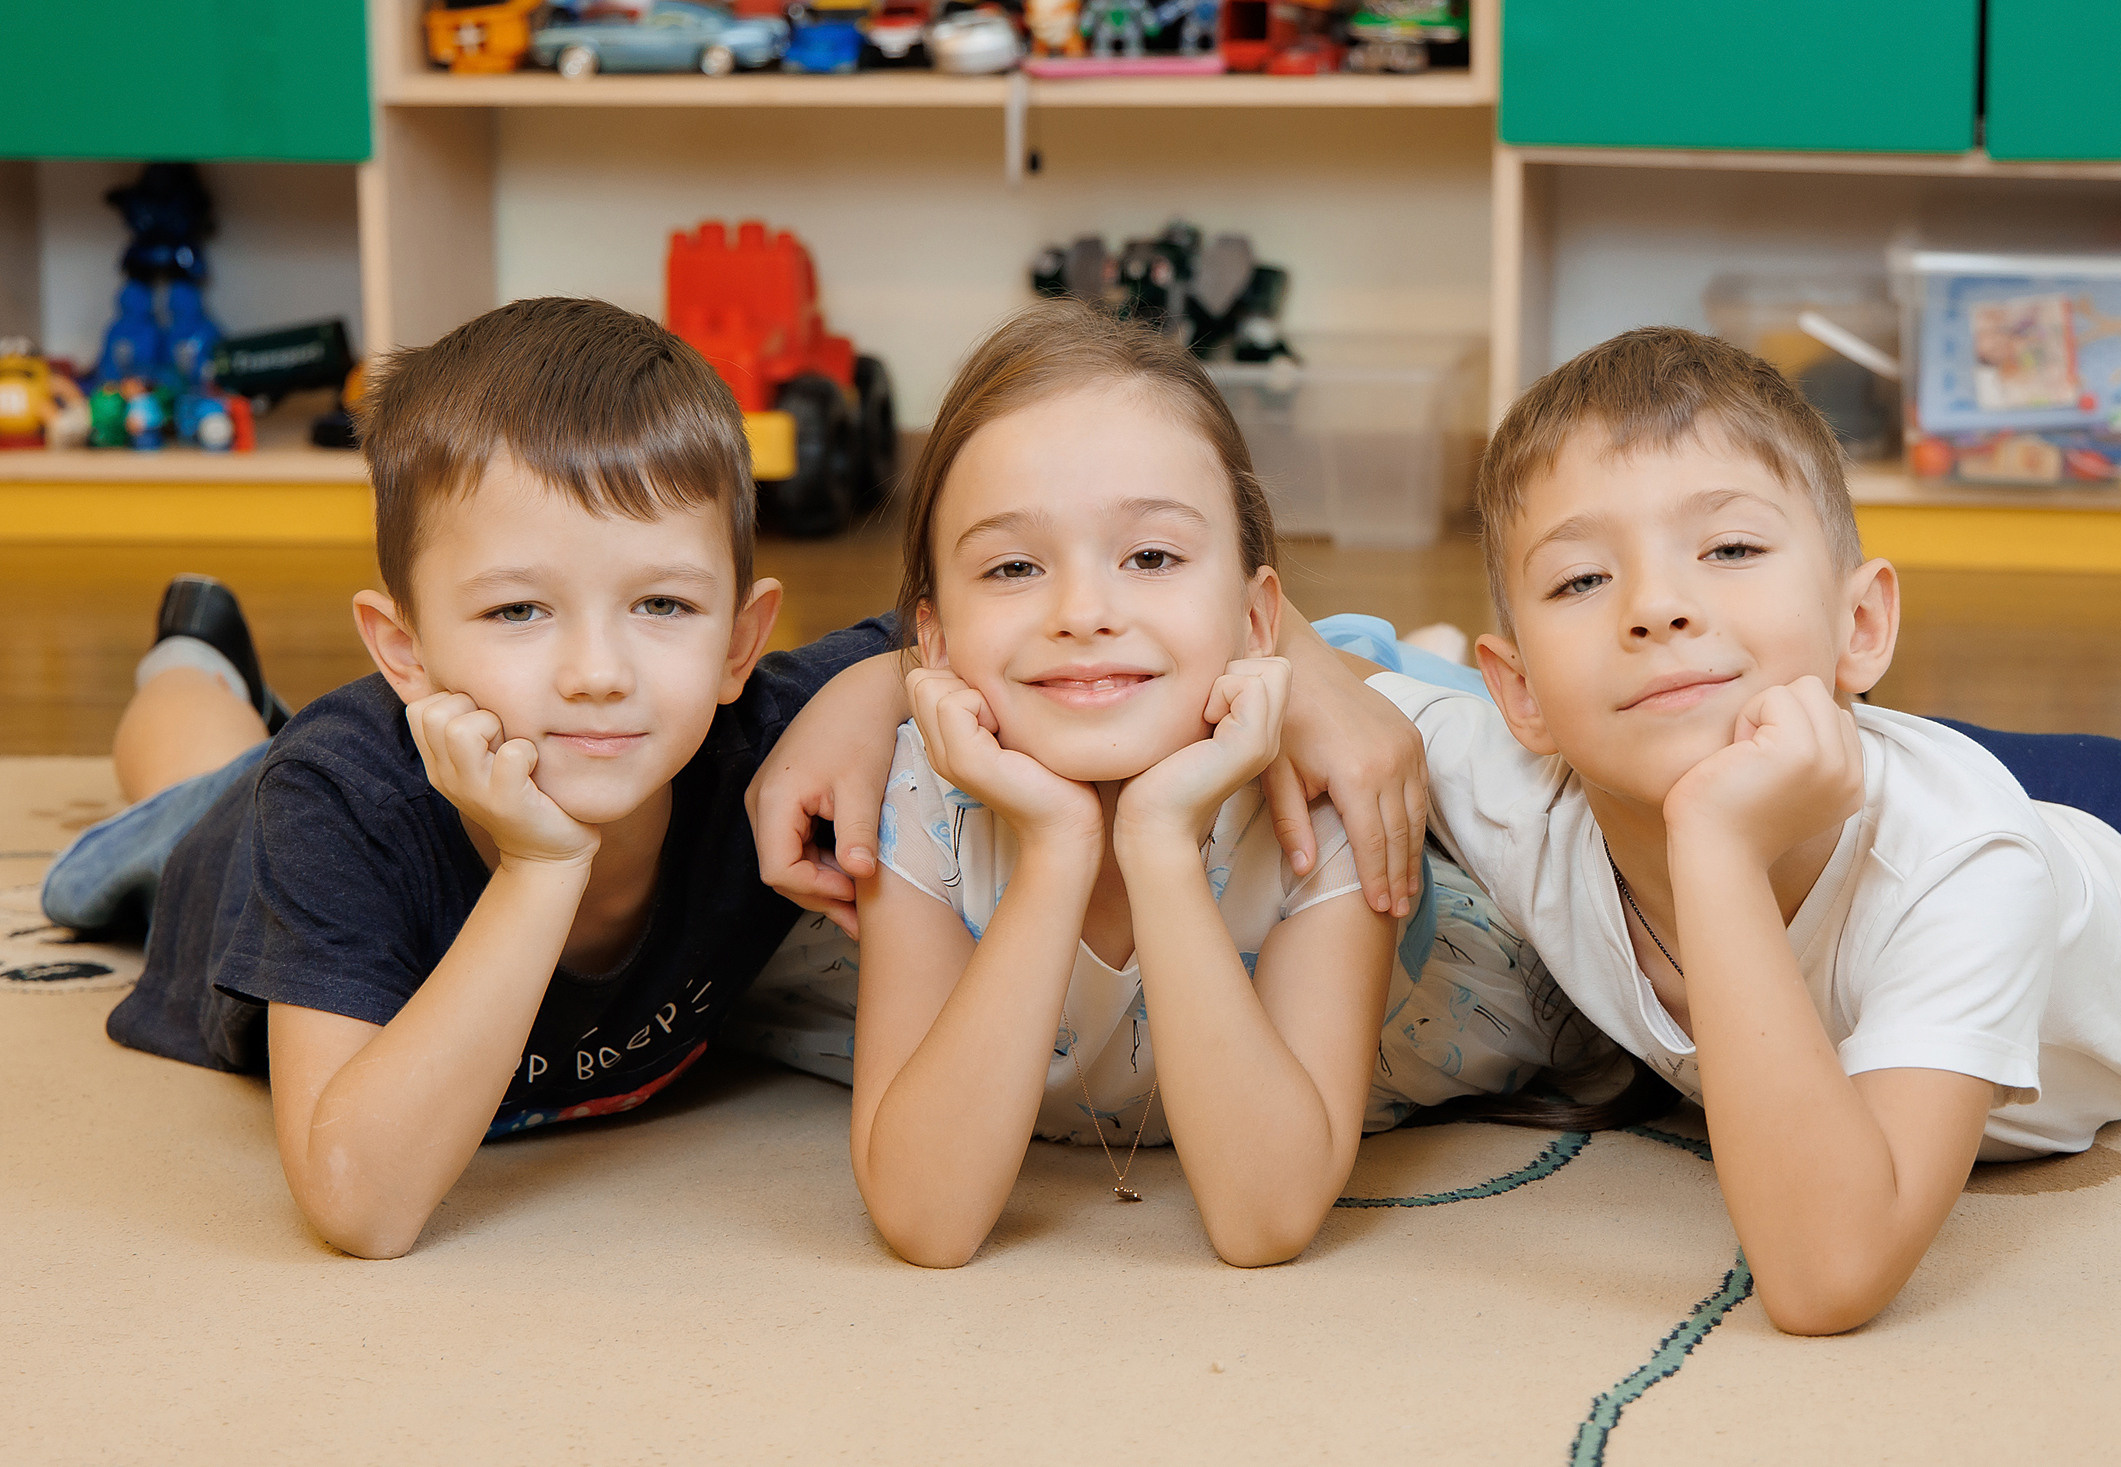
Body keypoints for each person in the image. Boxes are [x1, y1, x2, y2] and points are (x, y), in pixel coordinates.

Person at [1335, 326, 2121, 1334]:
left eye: (1730, 549)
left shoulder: (1963, 868)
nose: (1656, 606)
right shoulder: (1533, 791)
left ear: (1862, 625)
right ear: (1518, 693)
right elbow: (1306, 662)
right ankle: (1456, 655)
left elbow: (1826, 1275)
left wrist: (1713, 849)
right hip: (1830, 745)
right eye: (1581, 579)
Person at [736, 302, 1595, 1270]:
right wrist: (1058, 847)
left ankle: (1392, 661)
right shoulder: (918, 796)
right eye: (1014, 566)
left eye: (1151, 556)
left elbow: (1263, 1218)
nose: (1084, 611)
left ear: (1257, 613)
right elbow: (926, 1219)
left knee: (1496, 749)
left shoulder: (1316, 797)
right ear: (928, 641)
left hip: (1408, 977)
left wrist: (1156, 843)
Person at [40, 298, 902, 1260]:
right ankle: (192, 662)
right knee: (193, 779)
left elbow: (956, 622)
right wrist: (541, 866)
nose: (598, 672)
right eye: (519, 611)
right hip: (231, 851)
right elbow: (358, 1207)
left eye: (662, 603)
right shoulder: (339, 799)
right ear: (403, 651)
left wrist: (876, 687)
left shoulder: (759, 733)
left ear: (743, 641)